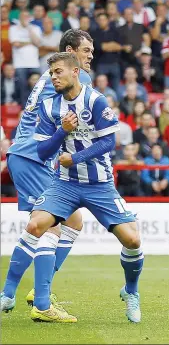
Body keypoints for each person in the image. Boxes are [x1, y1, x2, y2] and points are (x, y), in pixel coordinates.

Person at [28, 52, 143, 323]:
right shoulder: (48, 107)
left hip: (100, 185)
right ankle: (38, 301)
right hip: (65, 184)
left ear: (75, 72)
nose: (53, 77)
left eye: (58, 72)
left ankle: (131, 291)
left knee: (133, 240)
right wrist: (61, 132)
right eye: (52, 73)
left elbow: (109, 143)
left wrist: (76, 157)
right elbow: (43, 152)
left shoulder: (96, 100)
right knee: (36, 225)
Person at [1, 30, 93, 313]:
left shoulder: (50, 76)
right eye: (86, 50)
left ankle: (10, 294)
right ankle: (41, 302)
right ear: (70, 51)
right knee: (49, 224)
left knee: (72, 220)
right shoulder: (75, 76)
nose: (90, 56)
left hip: (26, 154)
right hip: (34, 156)